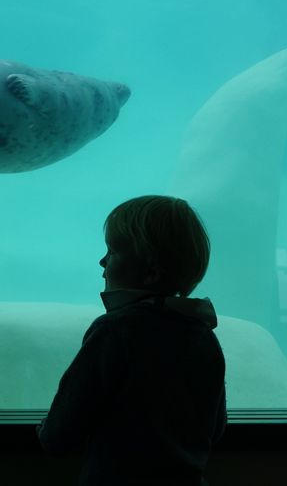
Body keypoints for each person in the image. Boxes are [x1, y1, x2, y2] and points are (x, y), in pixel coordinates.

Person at [37, 195, 227, 485]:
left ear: (150, 271)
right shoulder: (203, 335)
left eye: (112, 251)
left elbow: (60, 434)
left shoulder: (115, 331)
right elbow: (215, 429)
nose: (102, 261)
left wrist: (44, 432)